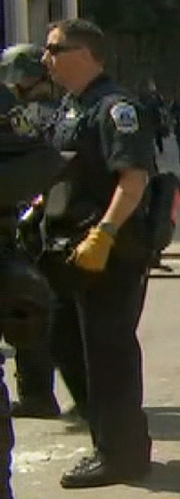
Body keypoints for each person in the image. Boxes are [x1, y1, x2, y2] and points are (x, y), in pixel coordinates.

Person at [39, 18, 155, 488]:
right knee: (65, 342)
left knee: (108, 352)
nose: (45, 58)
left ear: (84, 53)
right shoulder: (71, 106)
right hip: (66, 248)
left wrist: (104, 233)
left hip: (108, 251)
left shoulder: (115, 109)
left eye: (53, 48)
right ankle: (107, 437)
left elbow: (134, 179)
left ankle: (121, 452)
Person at [0, 43, 77, 420]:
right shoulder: (57, 110)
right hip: (37, 220)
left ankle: (38, 393)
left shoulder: (31, 115)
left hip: (36, 221)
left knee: (28, 309)